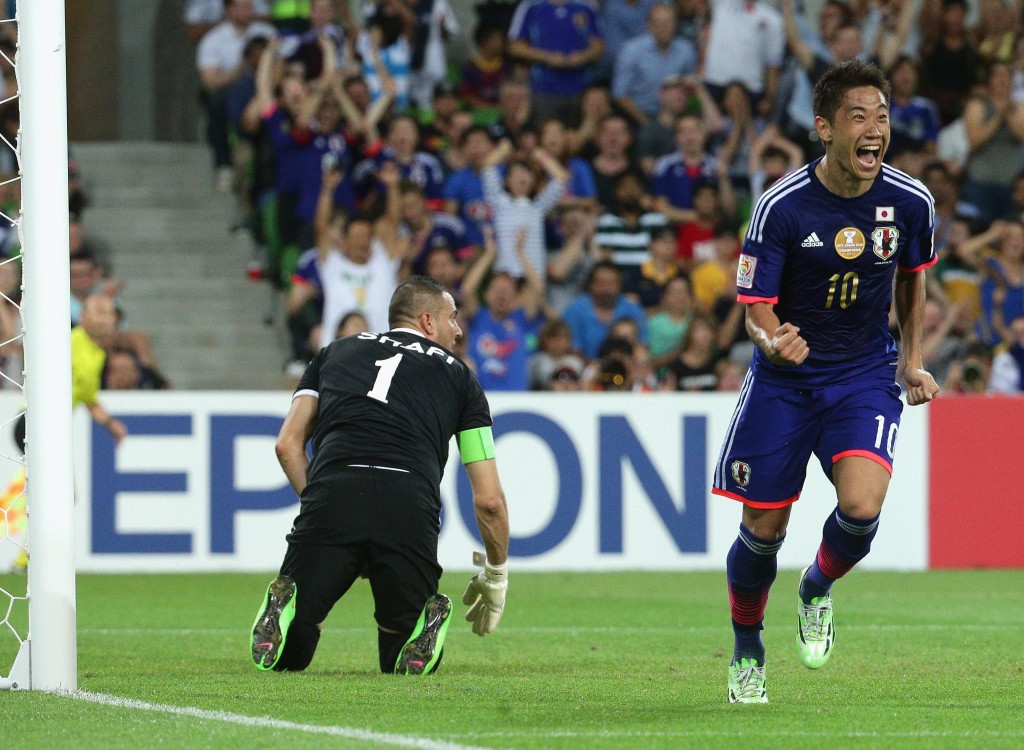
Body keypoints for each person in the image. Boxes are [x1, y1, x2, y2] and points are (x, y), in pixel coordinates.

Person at [711, 61, 939, 704]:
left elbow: (913, 275)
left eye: (883, 115)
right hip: (786, 379)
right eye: (859, 117)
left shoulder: (910, 201)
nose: (876, 130)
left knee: (863, 508)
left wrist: (910, 359)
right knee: (764, 529)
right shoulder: (779, 206)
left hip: (864, 371)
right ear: (824, 128)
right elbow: (755, 304)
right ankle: (747, 649)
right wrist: (771, 338)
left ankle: (815, 586)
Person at [251, 276, 511, 675]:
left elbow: (287, 444)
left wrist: (323, 508)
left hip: (334, 486)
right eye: (452, 318)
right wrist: (496, 574)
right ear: (427, 321)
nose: (458, 331)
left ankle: (289, 605)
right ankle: (418, 628)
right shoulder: (462, 380)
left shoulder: (332, 353)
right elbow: (489, 499)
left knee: (290, 653)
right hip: (408, 499)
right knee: (401, 655)